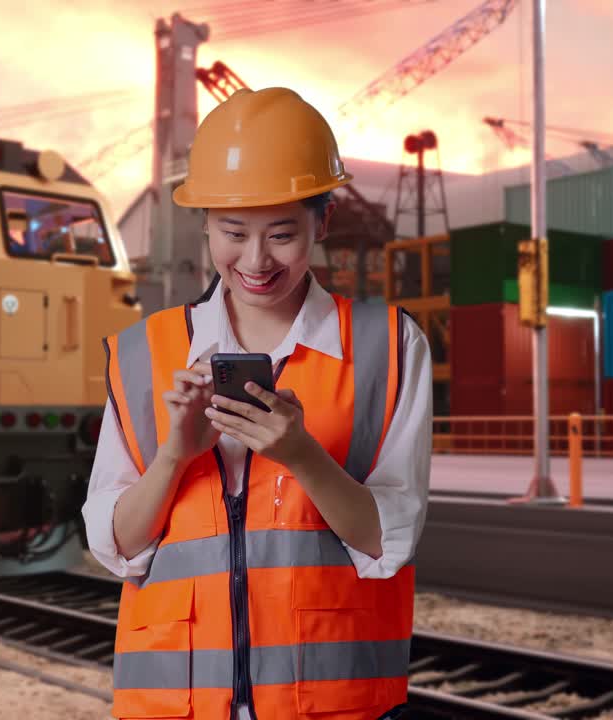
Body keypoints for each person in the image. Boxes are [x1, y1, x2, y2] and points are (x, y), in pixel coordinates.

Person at [82, 86, 432, 720]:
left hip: (329, 708)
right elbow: (117, 549)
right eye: (232, 232)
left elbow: (388, 543)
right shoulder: (142, 354)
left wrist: (301, 455)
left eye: (282, 234)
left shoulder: (388, 345)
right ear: (206, 223)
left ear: (322, 222)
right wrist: (173, 457)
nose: (255, 260)